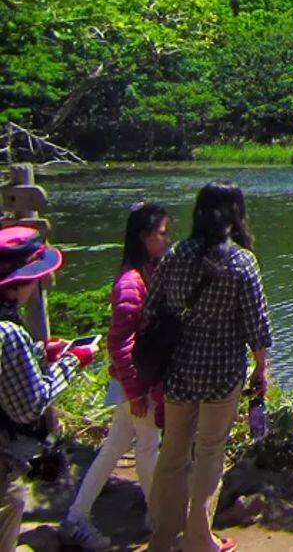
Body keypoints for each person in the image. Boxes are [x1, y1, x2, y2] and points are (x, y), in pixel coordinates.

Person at [146, 182, 271, 552]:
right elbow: (257, 324)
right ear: (236, 214)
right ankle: (200, 538)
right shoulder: (241, 261)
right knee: (209, 453)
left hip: (179, 368)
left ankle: (163, 537)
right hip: (222, 370)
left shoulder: (175, 255)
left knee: (173, 453)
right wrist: (262, 369)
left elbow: (152, 308)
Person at [59, 203, 172, 550]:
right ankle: (159, 519)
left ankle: (77, 516)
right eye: (162, 233)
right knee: (147, 447)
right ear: (144, 236)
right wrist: (137, 392)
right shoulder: (130, 283)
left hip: (132, 381)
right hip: (134, 383)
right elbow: (119, 342)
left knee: (114, 448)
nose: (168, 240)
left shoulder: (144, 273)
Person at [0, 226, 97, 552]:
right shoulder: (9, 332)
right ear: (16, 286)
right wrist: (72, 361)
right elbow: (29, 404)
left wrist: (40, 353)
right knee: (11, 503)